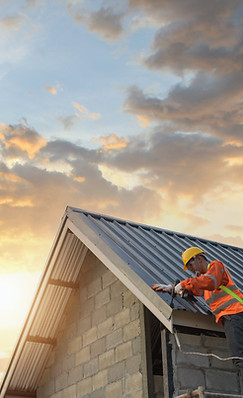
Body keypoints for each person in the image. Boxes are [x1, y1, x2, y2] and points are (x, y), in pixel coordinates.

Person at [175, 247, 243, 372]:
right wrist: (171, 288)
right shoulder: (205, 283)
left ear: (199, 259)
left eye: (191, 266)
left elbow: (209, 282)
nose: (191, 270)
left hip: (234, 314)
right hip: (234, 316)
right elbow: (196, 288)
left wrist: (184, 284)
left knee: (239, 359)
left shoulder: (215, 266)